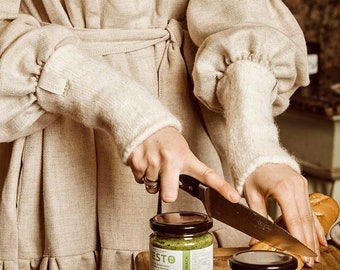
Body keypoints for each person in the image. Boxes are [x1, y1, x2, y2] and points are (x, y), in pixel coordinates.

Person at [0, 0, 326, 269]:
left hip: (190, 148)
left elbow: (239, 14)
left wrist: (254, 139)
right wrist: (125, 108)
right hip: (52, 145)